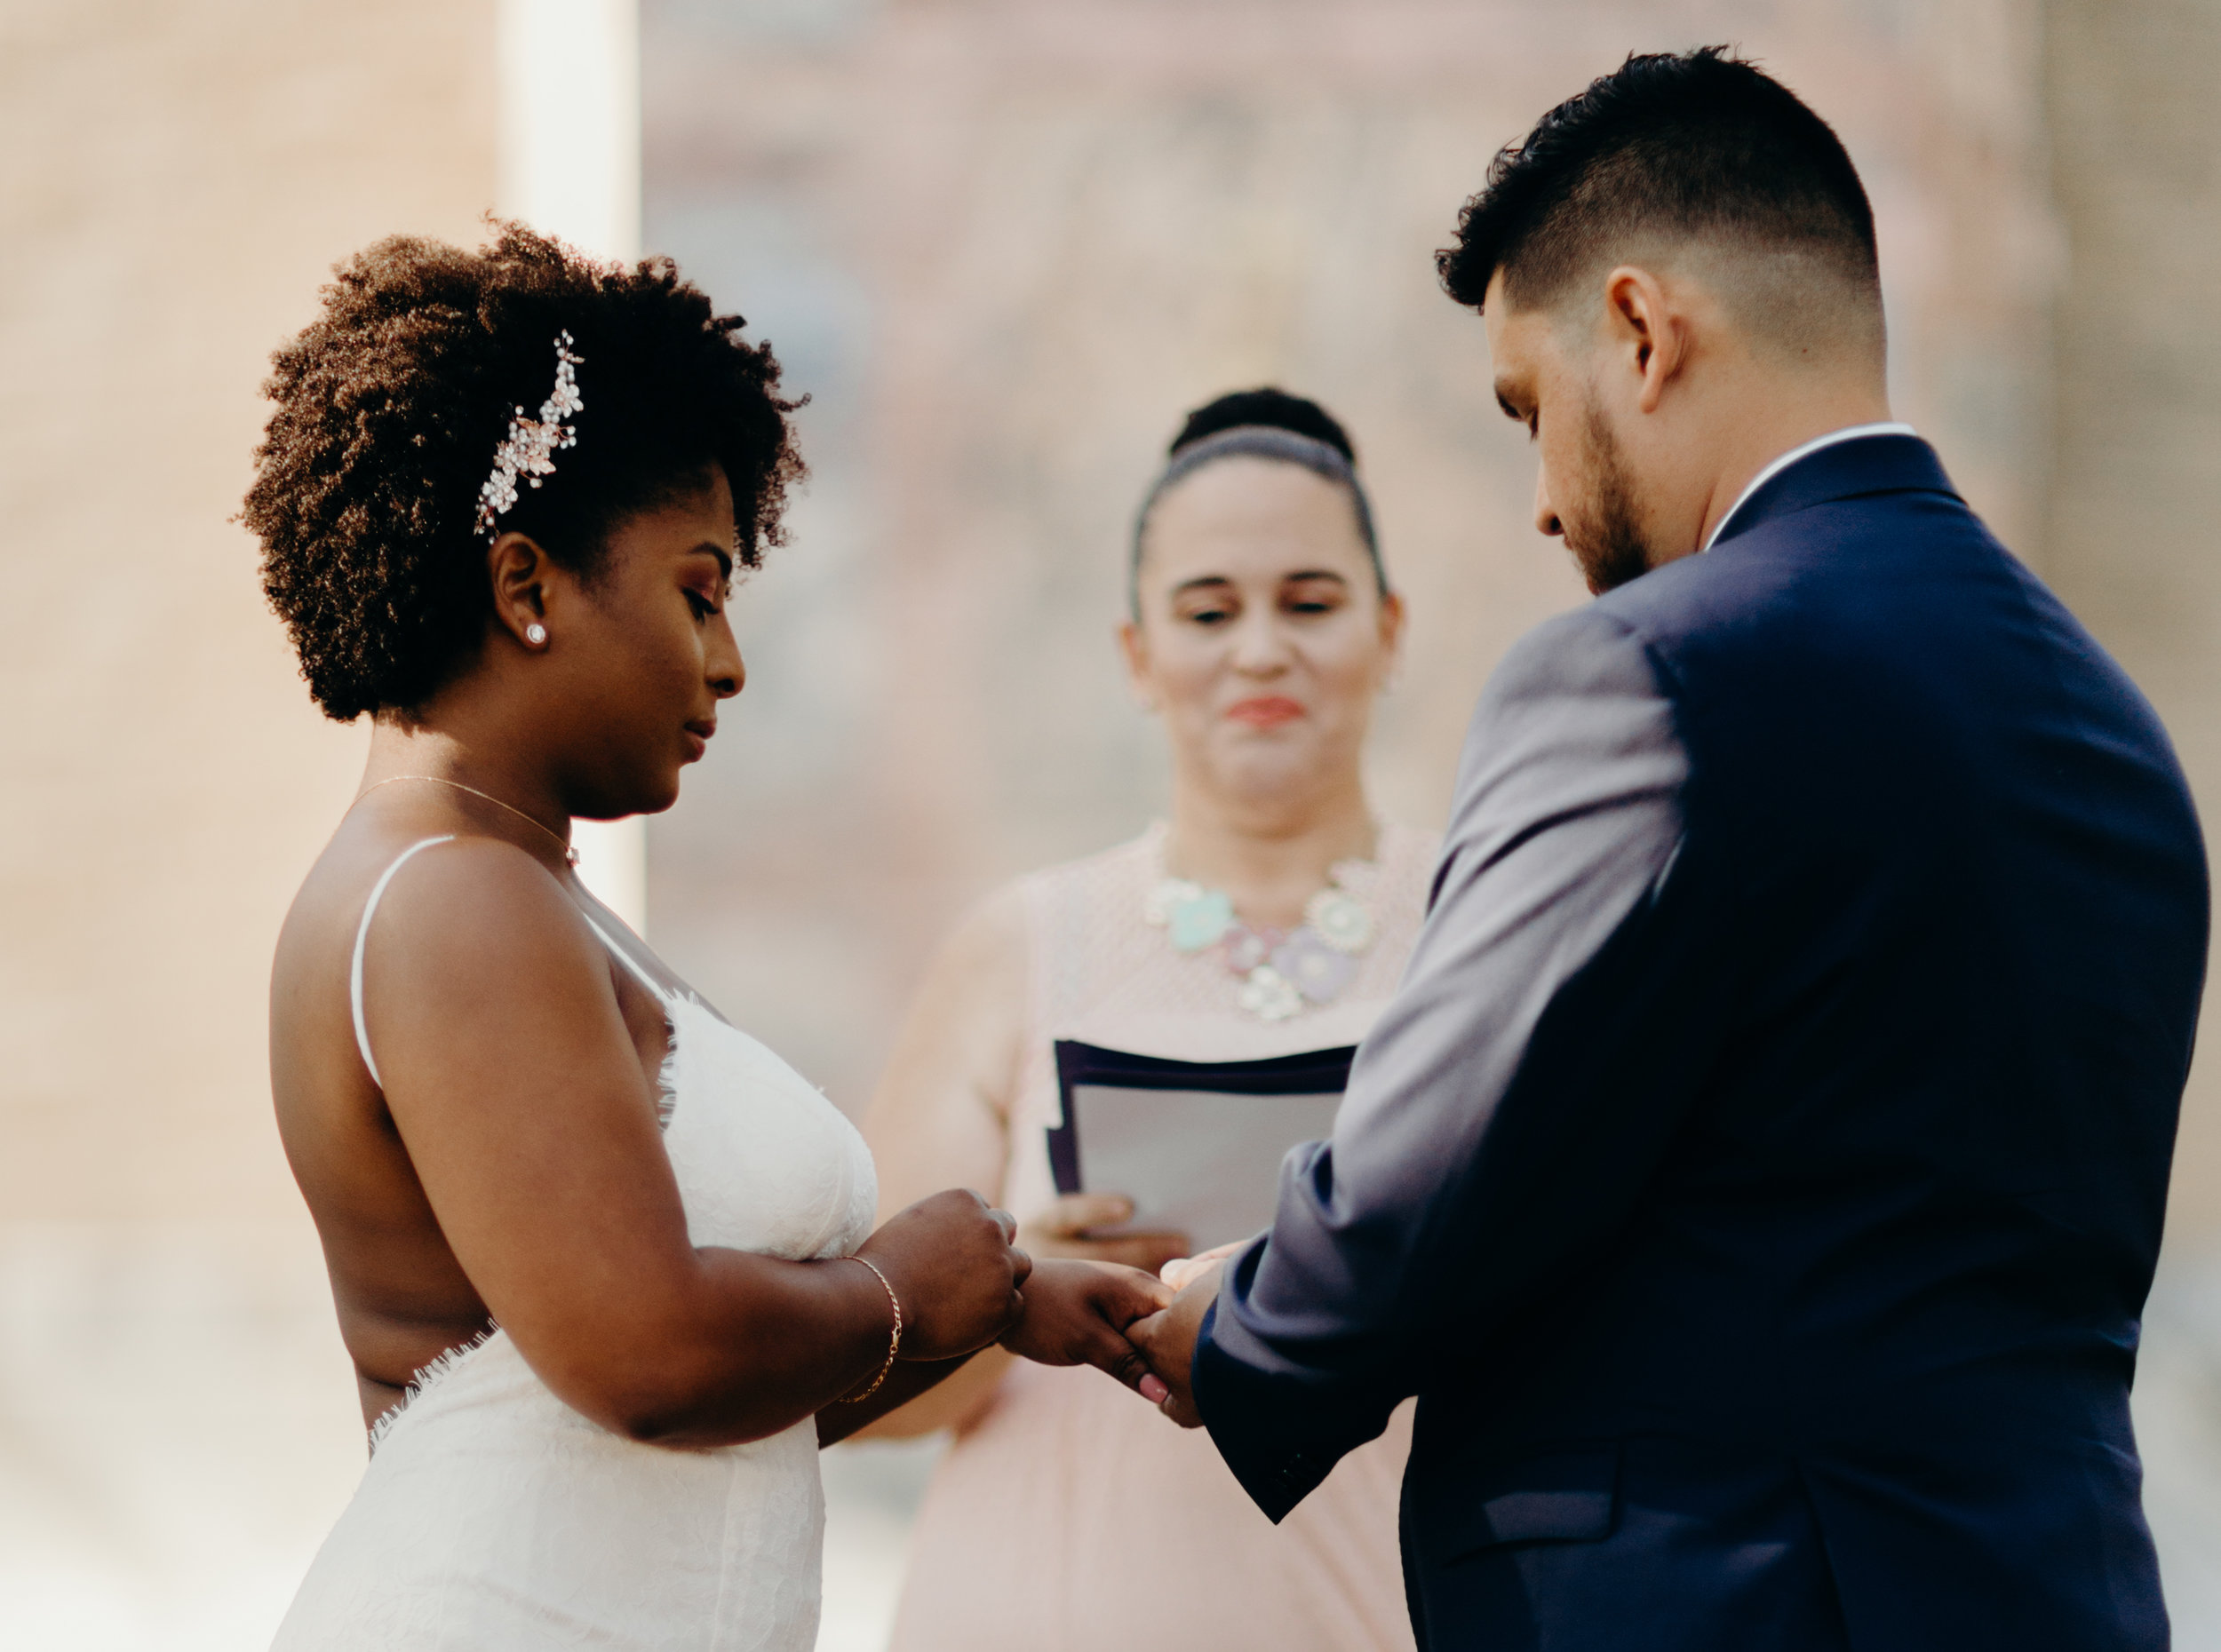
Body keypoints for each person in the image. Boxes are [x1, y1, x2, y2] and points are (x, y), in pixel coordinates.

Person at [1131, 48, 2209, 1652]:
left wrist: (1244, 1322)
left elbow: (1446, 1166)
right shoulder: (2115, 735)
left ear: (1640, 332)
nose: (1548, 509)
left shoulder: (1651, 674)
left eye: (1528, 411)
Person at [246, 226, 1168, 1651]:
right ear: (526, 587)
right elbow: (649, 1358)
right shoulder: (450, 899)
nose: (729, 662)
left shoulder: (525, 892)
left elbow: (724, 1392)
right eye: (700, 589)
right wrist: (895, 1286)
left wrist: (986, 1300)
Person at [863, 389, 1431, 1652]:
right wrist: (1006, 1295)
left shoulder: (1486, 927)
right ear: (1138, 655)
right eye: (1210, 612)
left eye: (1312, 602)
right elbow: (870, 1390)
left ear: (1389, 632)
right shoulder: (1018, 950)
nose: (1261, 651)